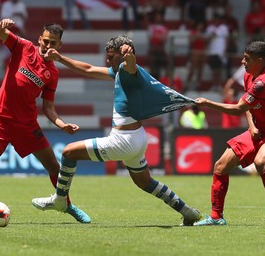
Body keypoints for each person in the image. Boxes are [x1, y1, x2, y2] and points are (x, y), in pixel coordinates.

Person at [31, 35, 202, 226]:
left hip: (123, 140)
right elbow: (88, 69)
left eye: (111, 57)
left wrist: (129, 56)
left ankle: (60, 200)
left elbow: (131, 64)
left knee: (68, 152)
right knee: (145, 182)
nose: (107, 60)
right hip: (137, 138)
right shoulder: (119, 71)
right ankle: (188, 211)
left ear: (122, 56)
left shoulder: (128, 70)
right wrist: (61, 59)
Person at [0, 18, 91, 225]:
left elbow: (48, 108)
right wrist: (2, 25)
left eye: (53, 43)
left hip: (27, 125)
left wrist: (62, 124)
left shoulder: (53, 73)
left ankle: (67, 204)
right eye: (45, 41)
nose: (48, 46)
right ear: (39, 40)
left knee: (55, 167)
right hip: (0, 119)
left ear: (59, 46)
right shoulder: (24, 47)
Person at [193, 41, 265, 227]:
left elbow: (239, 108)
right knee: (221, 166)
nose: (242, 62)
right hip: (258, 130)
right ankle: (216, 217)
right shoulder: (249, 76)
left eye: (247, 59)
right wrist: (252, 127)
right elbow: (247, 106)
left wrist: (208, 104)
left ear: (260, 60)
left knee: (261, 162)